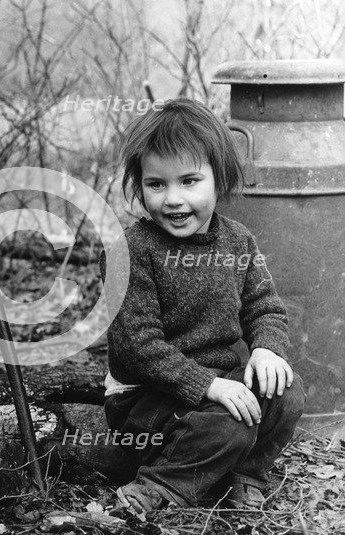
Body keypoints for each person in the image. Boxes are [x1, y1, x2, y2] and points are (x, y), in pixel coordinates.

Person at [100, 97, 306, 513]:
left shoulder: (238, 241)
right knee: (229, 422)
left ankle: (243, 473)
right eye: (157, 185)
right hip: (146, 400)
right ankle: (159, 484)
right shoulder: (131, 250)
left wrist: (267, 348)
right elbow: (136, 348)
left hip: (217, 384)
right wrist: (208, 386)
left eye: (189, 181)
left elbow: (264, 307)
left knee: (288, 391)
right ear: (140, 185)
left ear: (219, 178)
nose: (173, 199)